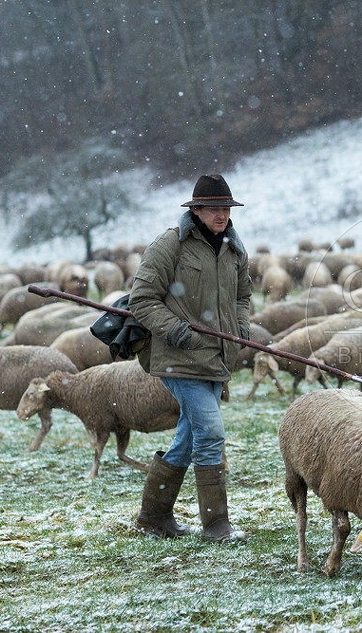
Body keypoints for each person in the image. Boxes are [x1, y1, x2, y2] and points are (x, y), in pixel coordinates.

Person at [129, 174, 252, 543]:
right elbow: (143, 299)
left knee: (189, 435)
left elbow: (242, 296)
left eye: (226, 208)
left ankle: (153, 518)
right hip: (178, 356)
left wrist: (241, 328)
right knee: (210, 433)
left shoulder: (234, 247)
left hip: (217, 357)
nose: (221, 215)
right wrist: (176, 330)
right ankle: (217, 525)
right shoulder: (171, 244)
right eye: (213, 208)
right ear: (195, 210)